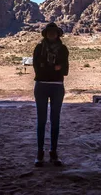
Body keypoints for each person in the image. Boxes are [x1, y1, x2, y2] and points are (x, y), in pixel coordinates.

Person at [32, 22, 69, 167]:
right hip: (42, 86)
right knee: (41, 120)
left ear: (58, 34)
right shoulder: (39, 48)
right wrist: (55, 68)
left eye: (54, 32)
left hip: (57, 87)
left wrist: (49, 67)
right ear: (46, 34)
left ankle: (53, 152)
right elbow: (37, 68)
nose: (52, 35)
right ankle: (40, 152)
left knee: (55, 120)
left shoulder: (63, 49)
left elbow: (65, 70)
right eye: (49, 32)